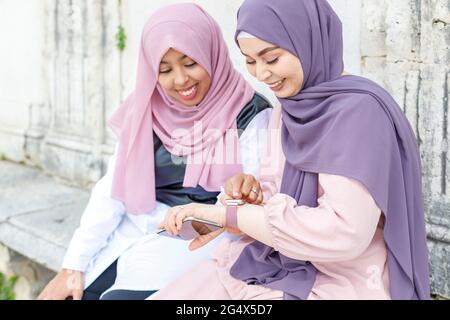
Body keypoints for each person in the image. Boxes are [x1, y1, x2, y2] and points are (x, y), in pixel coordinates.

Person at [154, 0, 430, 300]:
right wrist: (251, 196)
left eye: (271, 58)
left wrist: (229, 215)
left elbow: (344, 233)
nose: (260, 74)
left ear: (307, 40)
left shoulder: (358, 113)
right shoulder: (289, 108)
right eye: (249, 60)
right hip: (285, 263)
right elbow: (280, 193)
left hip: (346, 279)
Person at [37, 3, 272, 300]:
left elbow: (249, 202)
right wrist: (72, 265)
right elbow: (112, 191)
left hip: (205, 238)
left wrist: (199, 218)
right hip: (138, 228)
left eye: (190, 63)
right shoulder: (146, 107)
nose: (181, 80)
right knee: (74, 293)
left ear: (211, 53)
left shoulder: (251, 113)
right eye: (165, 69)